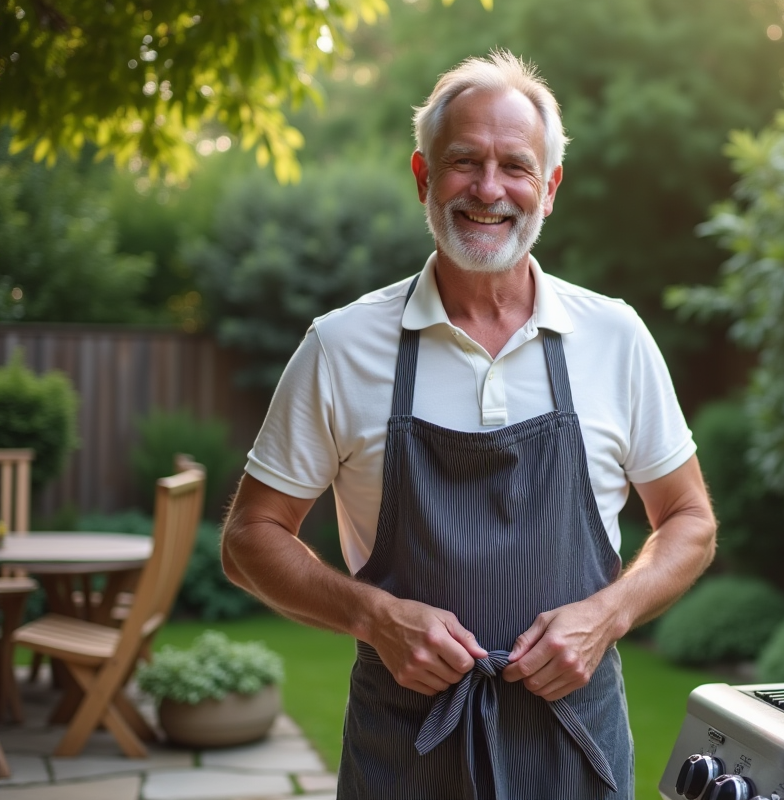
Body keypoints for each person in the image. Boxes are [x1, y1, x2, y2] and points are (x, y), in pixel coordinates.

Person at [220, 49, 716, 799]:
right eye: (463, 162)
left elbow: (689, 520)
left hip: (574, 746)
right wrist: (374, 617)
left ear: (549, 189)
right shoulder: (340, 345)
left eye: (515, 166)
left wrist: (607, 616)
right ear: (424, 178)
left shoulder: (615, 337)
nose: (489, 189)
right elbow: (249, 537)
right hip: (404, 753)